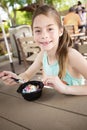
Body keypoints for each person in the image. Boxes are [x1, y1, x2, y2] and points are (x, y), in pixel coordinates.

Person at [0, 5, 87, 95]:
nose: (44, 35)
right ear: (33, 33)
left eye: (50, 29)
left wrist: (65, 88)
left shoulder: (71, 56)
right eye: (38, 31)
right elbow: (26, 75)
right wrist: (16, 78)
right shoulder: (42, 55)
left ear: (60, 31)